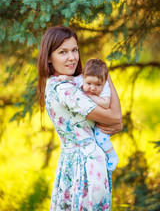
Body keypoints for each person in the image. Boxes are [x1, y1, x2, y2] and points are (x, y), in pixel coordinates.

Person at [37, 26, 123, 211]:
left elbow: (111, 120)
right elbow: (115, 116)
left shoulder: (66, 82)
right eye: (63, 52)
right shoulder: (66, 91)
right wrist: (105, 75)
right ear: (49, 57)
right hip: (84, 167)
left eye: (74, 50)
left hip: (77, 163)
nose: (72, 57)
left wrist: (101, 73)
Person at [58, 58, 119, 171]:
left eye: (97, 85)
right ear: (84, 78)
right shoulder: (81, 80)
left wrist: (89, 95)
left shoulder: (105, 88)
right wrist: (66, 78)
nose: (92, 88)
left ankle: (112, 156)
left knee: (101, 138)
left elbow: (105, 103)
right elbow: (73, 79)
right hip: (92, 122)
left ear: (104, 81)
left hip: (103, 122)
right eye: (89, 83)